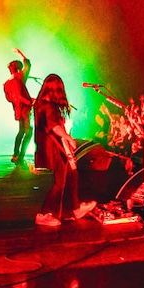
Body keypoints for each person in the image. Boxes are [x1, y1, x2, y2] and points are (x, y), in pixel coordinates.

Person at [32, 73, 95, 227]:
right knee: (60, 182)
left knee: (73, 173)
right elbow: (54, 125)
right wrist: (68, 137)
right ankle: (44, 213)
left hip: (50, 144)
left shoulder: (41, 103)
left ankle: (76, 208)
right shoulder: (48, 105)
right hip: (53, 146)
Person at [4, 48, 34, 168]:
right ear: (19, 68)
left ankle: (15, 155)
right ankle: (20, 157)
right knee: (28, 132)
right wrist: (20, 53)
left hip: (18, 110)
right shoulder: (20, 76)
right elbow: (28, 63)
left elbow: (10, 98)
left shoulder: (7, 83)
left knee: (21, 131)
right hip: (25, 109)